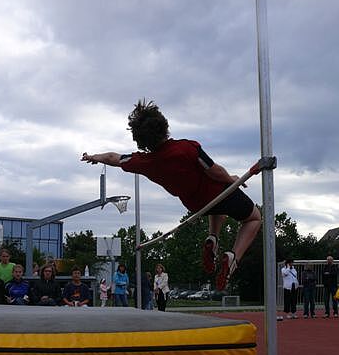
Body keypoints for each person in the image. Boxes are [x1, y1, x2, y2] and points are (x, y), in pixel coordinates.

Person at [81, 99, 261, 290]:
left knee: (217, 210)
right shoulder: (187, 148)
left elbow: (113, 158)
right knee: (254, 218)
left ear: (141, 140)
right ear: (164, 126)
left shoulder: (144, 161)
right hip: (218, 193)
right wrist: (232, 180)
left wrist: (93, 157)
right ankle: (233, 258)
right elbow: (214, 171)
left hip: (195, 204)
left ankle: (212, 238)